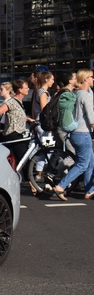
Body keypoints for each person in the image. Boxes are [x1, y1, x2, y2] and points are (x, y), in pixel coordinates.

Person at [53, 69, 94, 201]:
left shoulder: (76, 94)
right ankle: (61, 186)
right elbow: (91, 118)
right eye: (92, 77)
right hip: (83, 134)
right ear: (86, 78)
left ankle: (89, 190)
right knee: (82, 164)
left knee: (90, 162)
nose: (93, 79)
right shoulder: (85, 96)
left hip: (75, 133)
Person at [0, 80, 31, 165]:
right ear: (20, 90)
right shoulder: (11, 102)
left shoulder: (19, 102)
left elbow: (15, 117)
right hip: (13, 135)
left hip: (18, 134)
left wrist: (28, 119)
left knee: (18, 161)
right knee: (24, 161)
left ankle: (21, 177)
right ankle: (28, 178)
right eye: (26, 88)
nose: (28, 89)